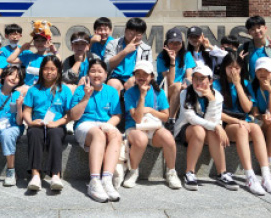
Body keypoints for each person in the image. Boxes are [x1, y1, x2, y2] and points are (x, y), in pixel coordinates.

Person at [213, 53, 271, 195]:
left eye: (237, 68)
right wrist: (237, 121)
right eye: (230, 67)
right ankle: (250, 176)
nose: (233, 71)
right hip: (227, 123)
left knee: (255, 128)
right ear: (224, 68)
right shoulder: (216, 85)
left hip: (243, 120)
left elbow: (247, 108)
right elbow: (216, 112)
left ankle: (266, 176)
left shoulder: (245, 84)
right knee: (242, 129)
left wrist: (238, 84)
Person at [172, 64, 237, 191]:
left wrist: (211, 100)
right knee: (200, 130)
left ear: (210, 81)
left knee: (213, 132)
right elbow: (191, 118)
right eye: (195, 78)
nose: (198, 81)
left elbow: (212, 121)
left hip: (206, 129)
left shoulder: (217, 96)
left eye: (202, 78)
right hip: (186, 129)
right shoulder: (185, 93)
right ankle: (189, 172)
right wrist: (216, 126)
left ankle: (222, 173)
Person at [121, 60, 181, 190]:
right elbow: (137, 119)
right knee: (141, 139)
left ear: (152, 76)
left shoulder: (159, 92)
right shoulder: (129, 93)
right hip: (134, 128)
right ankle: (133, 171)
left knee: (168, 137)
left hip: (153, 127)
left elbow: (166, 116)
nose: (141, 77)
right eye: (138, 74)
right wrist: (142, 96)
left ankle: (171, 172)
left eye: (145, 74)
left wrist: (150, 110)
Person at [69, 59, 122, 202]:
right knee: (98, 134)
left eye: (100, 71)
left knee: (116, 135)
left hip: (104, 124)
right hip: (85, 125)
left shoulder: (111, 91)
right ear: (88, 74)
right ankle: (94, 181)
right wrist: (86, 96)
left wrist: (108, 126)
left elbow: (117, 115)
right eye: (93, 71)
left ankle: (106, 180)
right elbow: (74, 116)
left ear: (106, 75)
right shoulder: (80, 90)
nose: (96, 74)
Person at [22, 55, 72, 192]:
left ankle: (56, 175)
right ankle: (35, 175)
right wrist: (30, 122)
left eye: (52, 69)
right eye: (45, 69)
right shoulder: (33, 90)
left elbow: (69, 115)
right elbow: (27, 111)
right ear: (41, 70)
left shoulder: (64, 90)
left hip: (57, 125)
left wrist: (57, 123)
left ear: (58, 71)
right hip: (37, 123)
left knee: (55, 134)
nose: (49, 72)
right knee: (34, 133)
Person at [104, 17, 152, 93]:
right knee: (113, 84)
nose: (134, 37)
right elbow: (107, 65)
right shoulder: (113, 44)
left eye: (138, 34)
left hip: (135, 77)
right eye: (131, 33)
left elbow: (148, 70)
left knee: (133, 83)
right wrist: (125, 52)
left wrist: (134, 78)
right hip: (116, 77)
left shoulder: (146, 49)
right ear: (125, 31)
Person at [7, 20, 59, 87]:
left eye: (43, 40)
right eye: (37, 41)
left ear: (48, 42)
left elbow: (59, 62)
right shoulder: (29, 56)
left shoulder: (50, 58)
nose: (40, 43)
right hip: (27, 89)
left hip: (44, 88)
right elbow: (10, 60)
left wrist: (54, 51)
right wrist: (21, 49)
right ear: (33, 42)